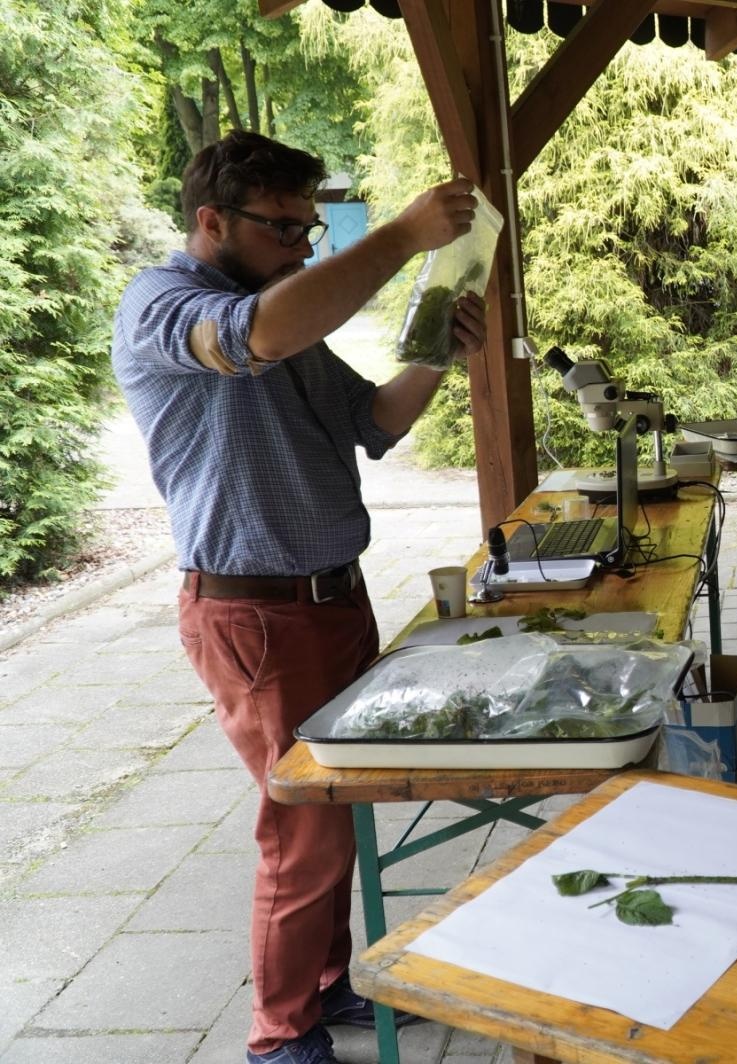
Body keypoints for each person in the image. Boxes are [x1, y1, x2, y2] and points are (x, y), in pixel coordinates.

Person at [112, 130, 486, 1064]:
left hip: (328, 600)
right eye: (285, 229)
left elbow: (375, 422)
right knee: (304, 831)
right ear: (211, 220)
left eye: (309, 231)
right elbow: (257, 339)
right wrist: (401, 235)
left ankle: (323, 991)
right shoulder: (164, 303)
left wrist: (441, 354)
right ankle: (278, 1036)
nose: (301, 248)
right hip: (255, 612)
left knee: (331, 820)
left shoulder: (276, 304)